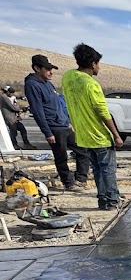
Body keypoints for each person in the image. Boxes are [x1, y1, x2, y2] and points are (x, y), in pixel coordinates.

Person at [61, 44, 123, 210]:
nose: (99, 67)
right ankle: (113, 201)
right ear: (93, 63)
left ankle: (102, 200)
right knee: (107, 170)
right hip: (99, 135)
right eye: (98, 63)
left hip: (83, 136)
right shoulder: (91, 84)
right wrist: (116, 135)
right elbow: (102, 112)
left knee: (96, 169)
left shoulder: (68, 77)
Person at [24, 54, 89, 188]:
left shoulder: (49, 84)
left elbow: (59, 105)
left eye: (51, 69)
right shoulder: (32, 85)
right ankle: (68, 183)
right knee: (61, 156)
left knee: (82, 150)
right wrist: (47, 132)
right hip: (54, 127)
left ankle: (81, 179)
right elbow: (37, 110)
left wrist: (68, 121)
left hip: (64, 124)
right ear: (37, 68)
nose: (51, 72)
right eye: (47, 69)